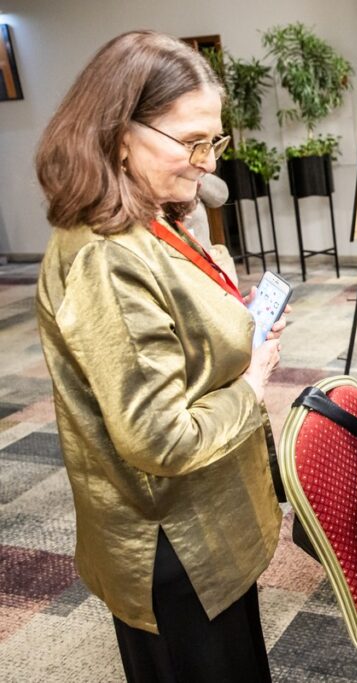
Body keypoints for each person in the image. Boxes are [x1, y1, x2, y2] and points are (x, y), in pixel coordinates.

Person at [34, 31, 286, 682]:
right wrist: (253, 384)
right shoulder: (106, 255)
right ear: (120, 131)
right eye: (191, 141)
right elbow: (162, 438)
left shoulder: (146, 212)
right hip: (177, 547)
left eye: (213, 141)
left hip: (205, 523)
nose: (207, 162)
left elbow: (172, 321)